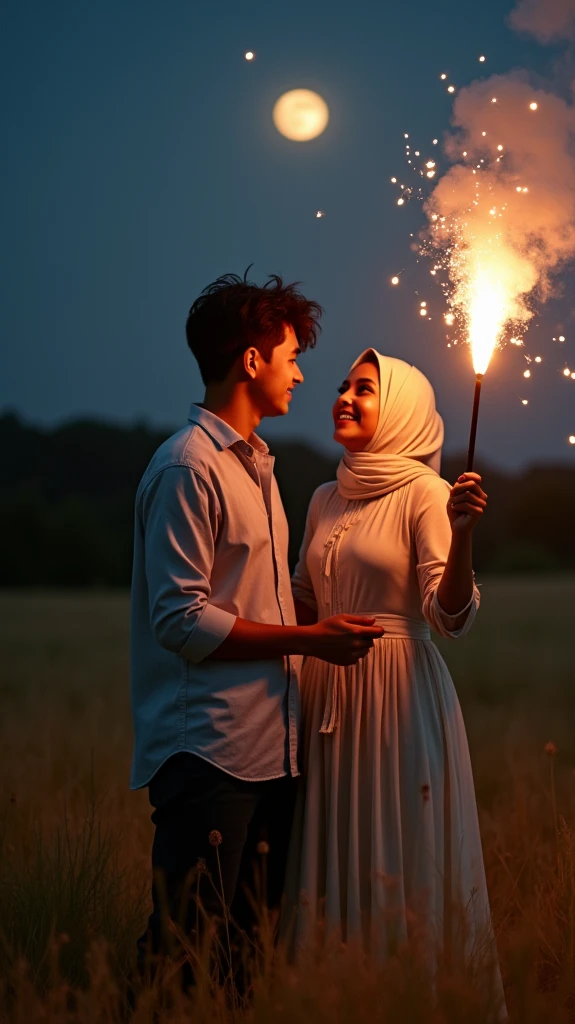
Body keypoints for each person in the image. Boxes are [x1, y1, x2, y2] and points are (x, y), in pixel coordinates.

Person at [130, 273, 383, 985]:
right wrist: (311, 641)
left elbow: (264, 601)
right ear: (251, 360)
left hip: (274, 752)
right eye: (290, 356)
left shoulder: (259, 469)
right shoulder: (189, 467)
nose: (300, 373)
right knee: (183, 950)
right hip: (210, 753)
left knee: (245, 958)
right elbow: (180, 620)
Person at [284, 347, 505, 1015]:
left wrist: (462, 534)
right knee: (327, 858)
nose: (346, 397)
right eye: (344, 386)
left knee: (393, 855)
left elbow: (451, 616)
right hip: (324, 692)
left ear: (402, 412)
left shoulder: (426, 493)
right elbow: (300, 603)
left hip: (398, 700)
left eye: (367, 390)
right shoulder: (325, 495)